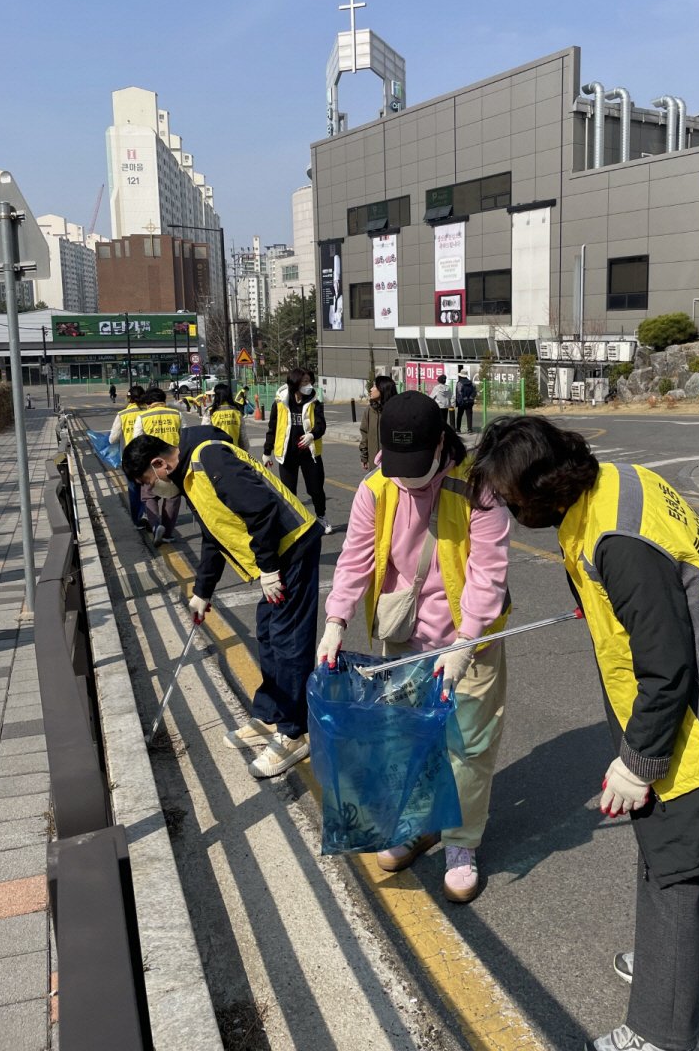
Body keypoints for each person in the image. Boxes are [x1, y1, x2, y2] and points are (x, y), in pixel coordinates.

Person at [467, 415, 699, 1051]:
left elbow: (667, 668)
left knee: (672, 862)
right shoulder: (616, 482)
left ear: (547, 489)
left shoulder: (618, 544)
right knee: (672, 849)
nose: (511, 512)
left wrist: (637, 763)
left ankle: (662, 1031)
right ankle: (683, 966)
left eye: (513, 499)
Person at [317, 391, 511, 904]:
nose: (406, 480)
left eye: (417, 468)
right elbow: (355, 560)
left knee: (467, 748)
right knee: (406, 742)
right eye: (397, 468)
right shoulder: (377, 487)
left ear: (442, 444)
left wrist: (467, 640)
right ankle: (418, 824)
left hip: (469, 644)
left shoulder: (479, 488)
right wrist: (335, 621)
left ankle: (461, 843)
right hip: (404, 640)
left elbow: (488, 574)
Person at [122, 425, 322, 778]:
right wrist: (202, 591)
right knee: (268, 634)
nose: (151, 489)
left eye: (148, 482)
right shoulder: (190, 476)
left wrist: (269, 569)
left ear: (159, 464)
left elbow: (262, 510)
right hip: (277, 554)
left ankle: (294, 733)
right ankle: (270, 714)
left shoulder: (209, 459)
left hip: (292, 547)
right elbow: (213, 535)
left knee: (288, 642)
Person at [264, 367, 331, 533]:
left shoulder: (315, 402)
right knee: (289, 491)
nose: (309, 385)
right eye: (305, 382)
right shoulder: (280, 402)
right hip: (287, 454)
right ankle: (293, 522)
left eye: (310, 381)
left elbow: (321, 425)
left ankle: (321, 516)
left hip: (310, 454)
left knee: (316, 489)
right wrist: (267, 452)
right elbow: (273, 427)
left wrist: (312, 435)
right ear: (295, 383)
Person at [133, 388, 183, 546]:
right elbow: (184, 437)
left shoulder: (143, 417)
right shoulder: (176, 414)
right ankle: (167, 534)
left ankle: (155, 526)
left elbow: (137, 442)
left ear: (148, 402)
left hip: (151, 465)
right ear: (164, 400)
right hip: (173, 463)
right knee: (172, 497)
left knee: (149, 496)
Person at [109, 385, 147, 527]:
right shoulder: (148, 413)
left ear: (128, 398)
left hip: (129, 458)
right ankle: (149, 516)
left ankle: (138, 520)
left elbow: (113, 439)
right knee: (148, 488)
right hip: (147, 456)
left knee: (133, 489)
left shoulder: (122, 415)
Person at [359, 374, 397, 471]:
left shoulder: (396, 411)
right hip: (373, 464)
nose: (371, 389)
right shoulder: (369, 410)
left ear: (383, 389)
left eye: (374, 386)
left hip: (392, 464)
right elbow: (364, 434)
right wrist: (364, 456)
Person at [203, 382, 250, 449]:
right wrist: (245, 451)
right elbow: (243, 437)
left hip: (217, 450)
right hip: (234, 451)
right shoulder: (237, 412)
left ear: (216, 396)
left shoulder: (210, 412)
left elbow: (205, 433)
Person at [455, 369, 476, 434]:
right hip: (470, 402)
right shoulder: (471, 383)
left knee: (459, 415)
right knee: (469, 415)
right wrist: (470, 398)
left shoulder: (459, 383)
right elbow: (474, 391)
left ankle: (458, 429)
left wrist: (464, 398)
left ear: (461, 376)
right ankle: (469, 430)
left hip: (461, 402)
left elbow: (459, 392)